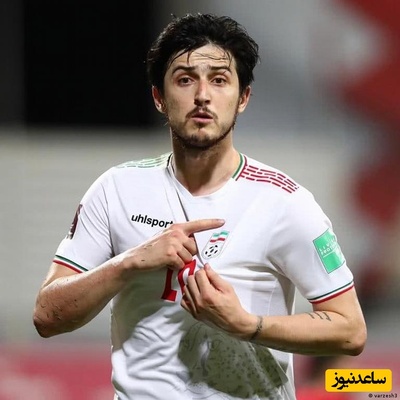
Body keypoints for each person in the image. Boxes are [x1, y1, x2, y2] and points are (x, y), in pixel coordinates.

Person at [33, 13, 367, 400]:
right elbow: (47, 316)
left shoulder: (285, 203)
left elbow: (351, 331)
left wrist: (247, 324)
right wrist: (129, 262)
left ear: (243, 98)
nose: (203, 95)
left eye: (220, 80)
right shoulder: (115, 190)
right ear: (159, 97)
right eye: (185, 79)